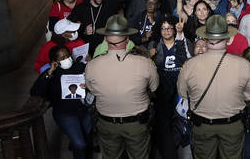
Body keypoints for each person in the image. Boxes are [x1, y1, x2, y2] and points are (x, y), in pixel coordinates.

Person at [177, 15, 250, 159]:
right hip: (232, 125)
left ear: (207, 38)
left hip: (202, 126)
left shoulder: (190, 65)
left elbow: (183, 93)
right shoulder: (243, 65)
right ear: (227, 38)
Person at [85, 15, 159, 159]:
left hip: (107, 124)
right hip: (136, 124)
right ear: (128, 39)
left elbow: (92, 90)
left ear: (105, 39)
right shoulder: (145, 63)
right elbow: (154, 87)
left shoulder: (92, 65)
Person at [31, 45, 92, 159]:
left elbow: (95, 82)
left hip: (84, 111)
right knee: (80, 143)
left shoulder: (80, 67)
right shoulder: (52, 74)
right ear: (55, 61)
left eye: (68, 56)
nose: (66, 59)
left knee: (86, 141)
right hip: (65, 113)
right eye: (62, 57)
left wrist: (90, 68)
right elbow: (35, 91)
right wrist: (49, 72)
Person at [68, 0, 132, 55]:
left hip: (106, 49)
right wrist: (83, 30)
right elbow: (68, 25)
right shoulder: (81, 7)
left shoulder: (108, 5)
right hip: (87, 51)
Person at [151, 14, 191, 159]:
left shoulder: (183, 42)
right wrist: (150, 56)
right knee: (164, 123)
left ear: (174, 30)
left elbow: (189, 61)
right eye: (163, 28)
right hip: (162, 88)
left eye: (169, 28)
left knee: (181, 122)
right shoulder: (154, 45)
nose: (166, 31)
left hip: (180, 87)